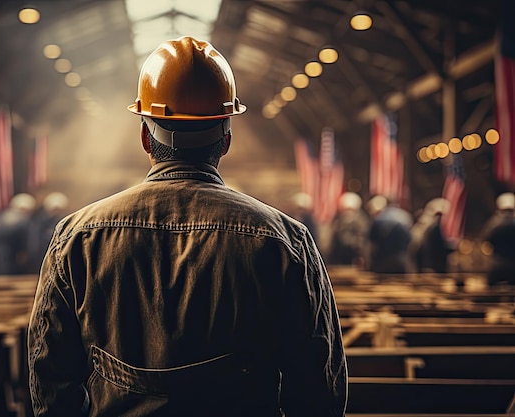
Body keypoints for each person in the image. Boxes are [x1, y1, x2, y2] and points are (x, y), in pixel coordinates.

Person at [28, 36, 347, 417]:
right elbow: (318, 392)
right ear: (225, 139)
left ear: (146, 137)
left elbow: (50, 383)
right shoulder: (283, 242)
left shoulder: (77, 238)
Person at [0, 193, 37, 275]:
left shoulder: (1, 219)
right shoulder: (24, 222)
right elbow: (29, 242)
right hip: (18, 263)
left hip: (0, 261)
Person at [367, 194, 413, 274]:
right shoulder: (405, 216)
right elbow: (409, 238)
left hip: (382, 259)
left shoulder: (379, 219)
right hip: (401, 258)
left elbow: (372, 240)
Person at [27, 191, 70, 273]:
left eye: (59, 210)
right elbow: (34, 245)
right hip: (43, 262)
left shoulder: (68, 222)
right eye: (54, 210)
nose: (56, 213)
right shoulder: (39, 223)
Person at [481, 192, 515, 286]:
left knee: (491, 293)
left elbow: (485, 242)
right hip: (513, 267)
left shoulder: (493, 224)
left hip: (497, 267)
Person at [328, 192, 370, 267]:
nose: (347, 212)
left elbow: (362, 237)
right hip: (340, 256)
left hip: (354, 255)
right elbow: (334, 237)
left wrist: (360, 254)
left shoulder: (361, 220)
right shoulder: (338, 220)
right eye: (345, 209)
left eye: (350, 209)